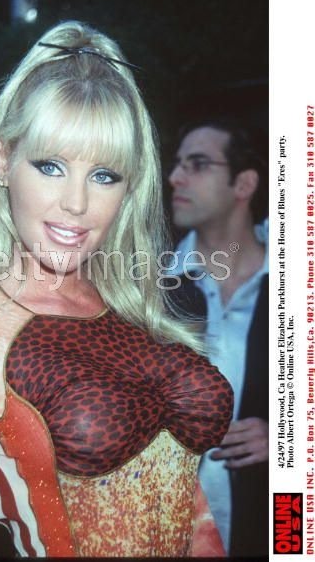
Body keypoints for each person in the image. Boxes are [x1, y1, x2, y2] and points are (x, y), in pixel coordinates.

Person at [0, 21, 233, 558]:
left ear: (130, 186)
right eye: (50, 166)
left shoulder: (135, 309)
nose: (76, 203)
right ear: (3, 162)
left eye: (104, 175)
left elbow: (192, 512)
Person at [166, 118, 268, 557]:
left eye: (198, 164)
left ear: (243, 184)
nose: (176, 177)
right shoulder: (148, 289)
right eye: (177, 164)